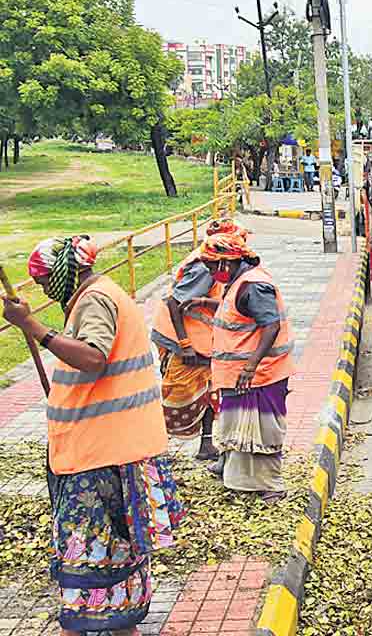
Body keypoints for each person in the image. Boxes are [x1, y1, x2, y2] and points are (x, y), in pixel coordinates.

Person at [3, 236, 184, 636]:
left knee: (87, 553)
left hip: (101, 459)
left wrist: (34, 327)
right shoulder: (102, 294)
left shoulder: (95, 300)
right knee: (119, 551)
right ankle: (123, 627)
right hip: (111, 449)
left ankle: (82, 627)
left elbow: (93, 358)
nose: (47, 290)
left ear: (66, 274)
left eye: (48, 281)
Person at [193, 232, 296, 503]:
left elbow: (270, 325)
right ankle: (238, 477)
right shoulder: (240, 282)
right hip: (238, 376)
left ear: (226, 263)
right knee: (238, 427)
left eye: (211, 267)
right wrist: (206, 303)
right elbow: (237, 311)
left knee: (261, 431)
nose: (210, 273)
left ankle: (271, 484)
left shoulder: (254, 285)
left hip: (260, 375)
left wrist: (251, 366)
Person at [150, 220, 247, 459]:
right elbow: (176, 302)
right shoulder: (206, 266)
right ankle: (153, 448)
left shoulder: (222, 262)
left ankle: (206, 445)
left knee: (209, 391)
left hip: (204, 340)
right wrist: (184, 344)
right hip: (181, 339)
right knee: (177, 396)